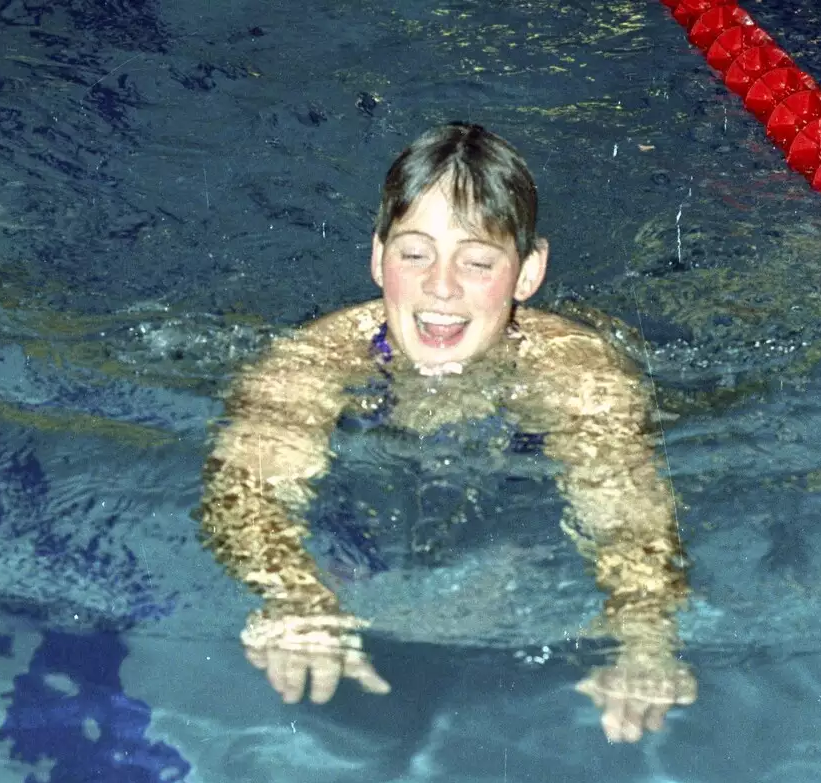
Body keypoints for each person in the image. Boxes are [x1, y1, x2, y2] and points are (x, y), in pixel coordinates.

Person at [197, 122, 694, 743]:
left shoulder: (576, 376)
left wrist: (646, 637)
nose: (441, 285)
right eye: (414, 253)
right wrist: (294, 596)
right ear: (378, 257)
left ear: (528, 272)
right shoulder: (310, 365)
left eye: (478, 260)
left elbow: (630, 524)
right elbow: (245, 498)